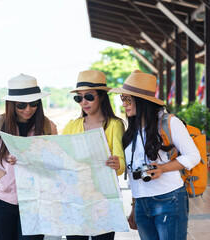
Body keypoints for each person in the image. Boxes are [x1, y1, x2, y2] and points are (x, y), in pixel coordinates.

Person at [109, 70, 200, 240]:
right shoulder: (132, 130)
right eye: (122, 99)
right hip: (141, 204)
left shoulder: (169, 122)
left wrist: (162, 168)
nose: (124, 104)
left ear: (142, 101)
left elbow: (193, 155)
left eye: (128, 99)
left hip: (169, 199)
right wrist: (135, 205)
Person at [0, 73, 57, 240]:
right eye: (21, 105)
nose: (28, 109)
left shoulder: (48, 127)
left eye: (33, 104)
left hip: (36, 201)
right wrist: (1, 173)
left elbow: (54, 163)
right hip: (2, 200)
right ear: (12, 105)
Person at [62, 70, 126, 240]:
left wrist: (117, 163)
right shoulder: (71, 126)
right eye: (79, 98)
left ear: (102, 96)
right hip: (75, 199)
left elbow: (121, 163)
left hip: (104, 199)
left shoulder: (115, 125)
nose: (83, 102)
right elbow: (61, 159)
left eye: (89, 96)